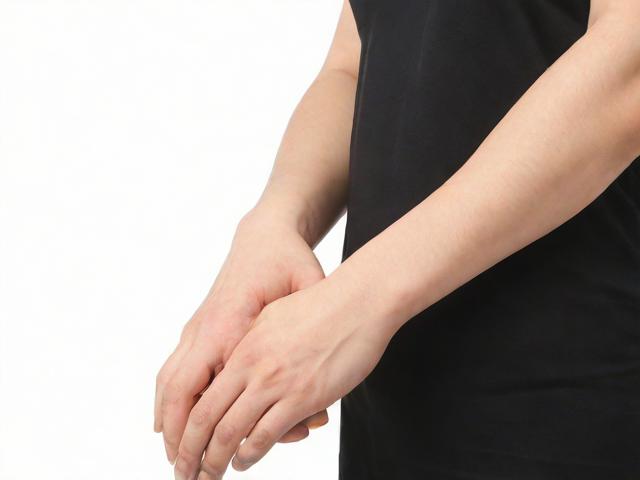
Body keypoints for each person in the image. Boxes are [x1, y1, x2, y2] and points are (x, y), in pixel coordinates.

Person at [154, 0, 640, 478]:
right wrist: (277, 220)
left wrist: (358, 301)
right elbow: (353, 61)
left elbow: (629, 64)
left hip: (580, 402)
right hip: (394, 417)